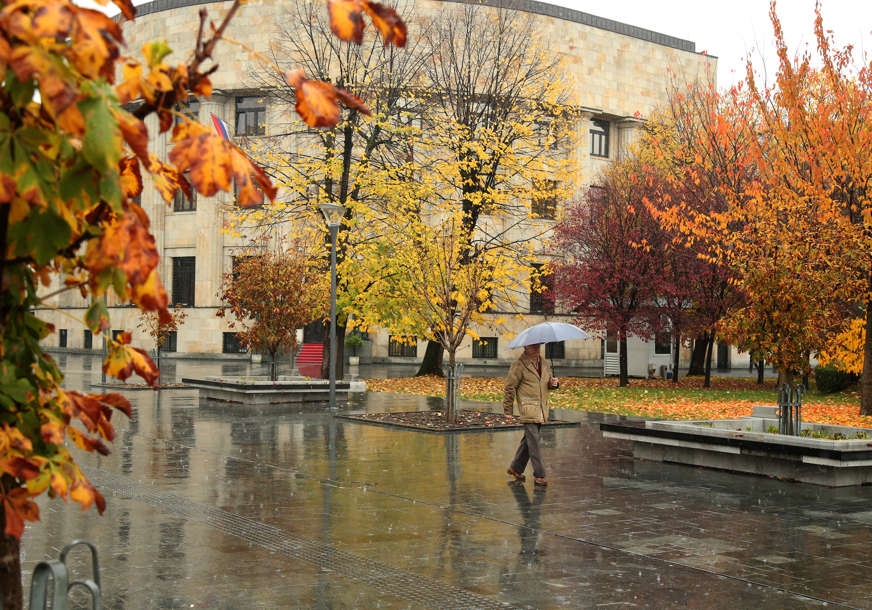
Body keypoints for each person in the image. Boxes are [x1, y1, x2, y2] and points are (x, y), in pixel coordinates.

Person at [503, 343, 559, 486]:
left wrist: (554, 384)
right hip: (528, 408)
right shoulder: (519, 365)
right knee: (534, 441)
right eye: (533, 346)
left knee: (528, 441)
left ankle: (515, 468)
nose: (536, 348)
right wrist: (508, 410)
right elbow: (510, 387)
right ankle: (539, 474)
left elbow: (547, 383)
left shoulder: (544, 363)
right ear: (525, 347)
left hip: (541, 408)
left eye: (538, 346)